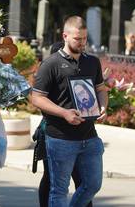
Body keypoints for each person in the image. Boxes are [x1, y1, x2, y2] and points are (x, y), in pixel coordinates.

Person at [31, 16, 108, 207]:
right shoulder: (50, 64)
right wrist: (64, 113)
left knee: (92, 185)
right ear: (65, 36)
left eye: (84, 38)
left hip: (89, 137)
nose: (82, 43)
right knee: (58, 191)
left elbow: (101, 89)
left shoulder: (92, 62)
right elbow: (36, 98)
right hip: (60, 139)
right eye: (77, 39)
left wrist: (103, 106)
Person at [35, 41, 92, 207]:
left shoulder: (80, 73)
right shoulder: (50, 72)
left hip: (80, 133)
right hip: (55, 134)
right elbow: (39, 101)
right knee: (54, 180)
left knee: (82, 180)